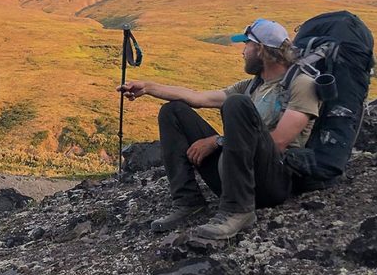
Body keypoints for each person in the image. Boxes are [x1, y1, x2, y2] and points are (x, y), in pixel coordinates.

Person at [117, 18, 321, 241]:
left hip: (272, 182)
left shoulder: (301, 84)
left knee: (236, 104)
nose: (243, 52)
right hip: (236, 173)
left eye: (247, 45)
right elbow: (198, 97)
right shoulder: (252, 85)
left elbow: (279, 143)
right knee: (173, 112)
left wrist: (219, 141)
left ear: (261, 50)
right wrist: (148, 87)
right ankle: (188, 202)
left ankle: (239, 210)